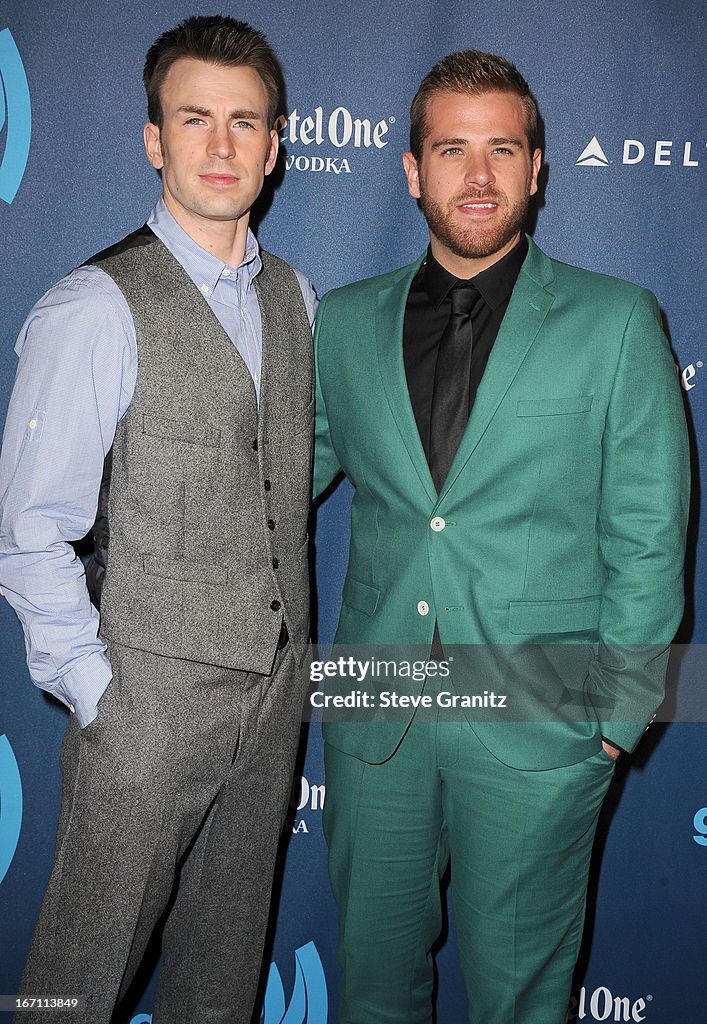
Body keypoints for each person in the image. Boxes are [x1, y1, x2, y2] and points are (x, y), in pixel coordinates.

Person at [313, 49, 689, 1024]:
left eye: (500, 150)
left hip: (543, 717)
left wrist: (612, 722)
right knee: (370, 987)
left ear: (535, 169)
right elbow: (266, 495)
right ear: (409, 169)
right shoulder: (341, 327)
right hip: (377, 707)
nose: (475, 177)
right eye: (449, 149)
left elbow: (649, 535)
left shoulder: (614, 323)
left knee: (519, 996)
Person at [0, 15, 315, 1024]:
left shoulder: (297, 301)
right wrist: (101, 695)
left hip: (271, 706)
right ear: (153, 140)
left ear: (273, 148)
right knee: (72, 989)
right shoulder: (96, 305)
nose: (220, 147)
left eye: (243, 123)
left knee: (220, 987)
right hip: (145, 707)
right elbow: (28, 527)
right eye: (194, 120)